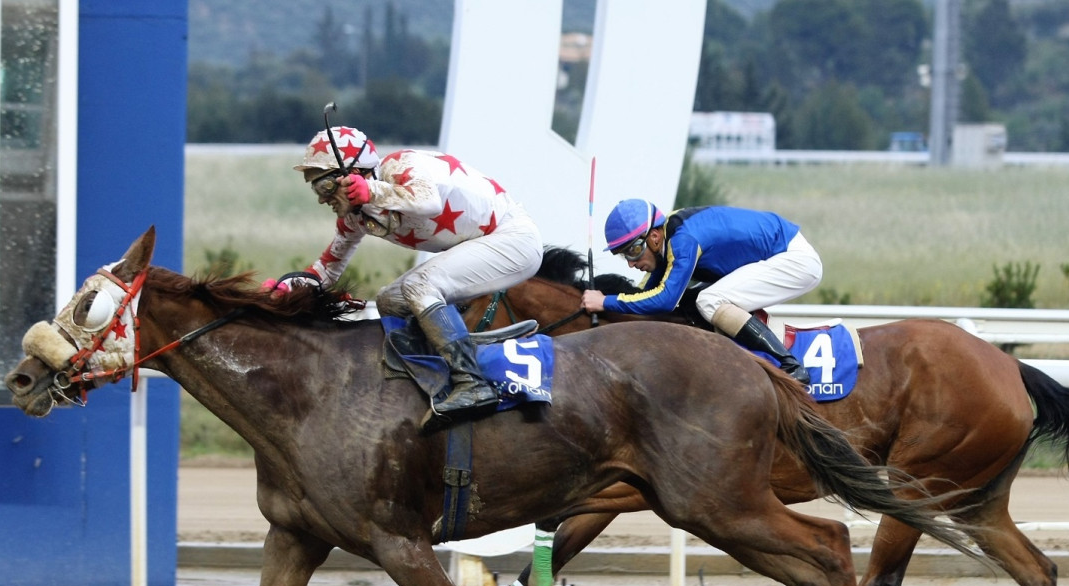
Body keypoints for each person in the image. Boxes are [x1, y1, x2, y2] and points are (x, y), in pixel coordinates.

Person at [281, 126, 543, 430]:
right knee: (389, 300)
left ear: (352, 173)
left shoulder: (400, 164)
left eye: (324, 186)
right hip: (484, 243)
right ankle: (432, 378)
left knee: (418, 286)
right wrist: (288, 287)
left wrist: (373, 191)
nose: (322, 199)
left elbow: (428, 201)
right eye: (316, 189)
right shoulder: (354, 217)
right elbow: (327, 270)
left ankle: (471, 383)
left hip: (514, 239)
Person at [581, 200, 822, 386]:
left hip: (794, 260)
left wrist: (605, 302)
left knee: (709, 300)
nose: (631, 263)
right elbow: (649, 291)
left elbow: (664, 300)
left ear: (654, 237)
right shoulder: (669, 235)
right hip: (777, 252)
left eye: (632, 251)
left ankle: (790, 366)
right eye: (623, 255)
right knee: (694, 299)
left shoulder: (683, 241)